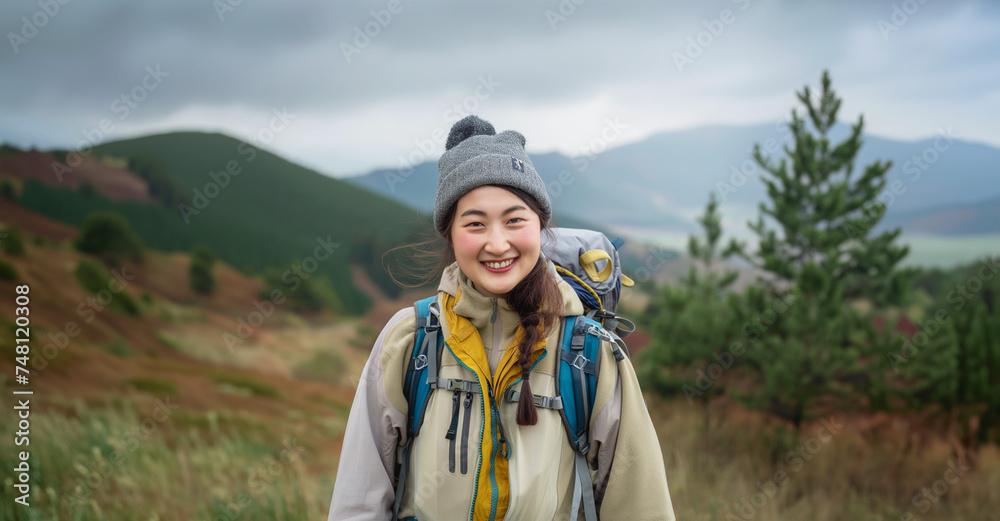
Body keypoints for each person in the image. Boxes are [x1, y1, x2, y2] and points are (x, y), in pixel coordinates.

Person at [327, 115, 675, 520]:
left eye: (515, 220)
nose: (497, 243)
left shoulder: (590, 352)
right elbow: (357, 502)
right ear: (451, 234)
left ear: (540, 228)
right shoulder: (410, 339)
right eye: (475, 223)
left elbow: (640, 504)